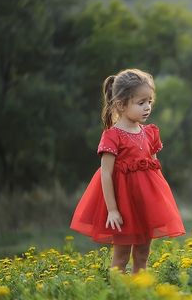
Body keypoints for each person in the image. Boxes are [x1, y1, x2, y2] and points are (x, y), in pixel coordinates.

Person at [70, 68, 185, 273]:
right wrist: (113, 210)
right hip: (123, 207)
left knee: (142, 254)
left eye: (149, 101)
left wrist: (159, 202)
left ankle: (138, 290)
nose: (147, 107)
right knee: (121, 256)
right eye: (141, 103)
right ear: (121, 105)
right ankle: (119, 292)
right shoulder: (113, 136)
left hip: (144, 205)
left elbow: (155, 169)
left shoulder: (150, 133)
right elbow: (105, 174)